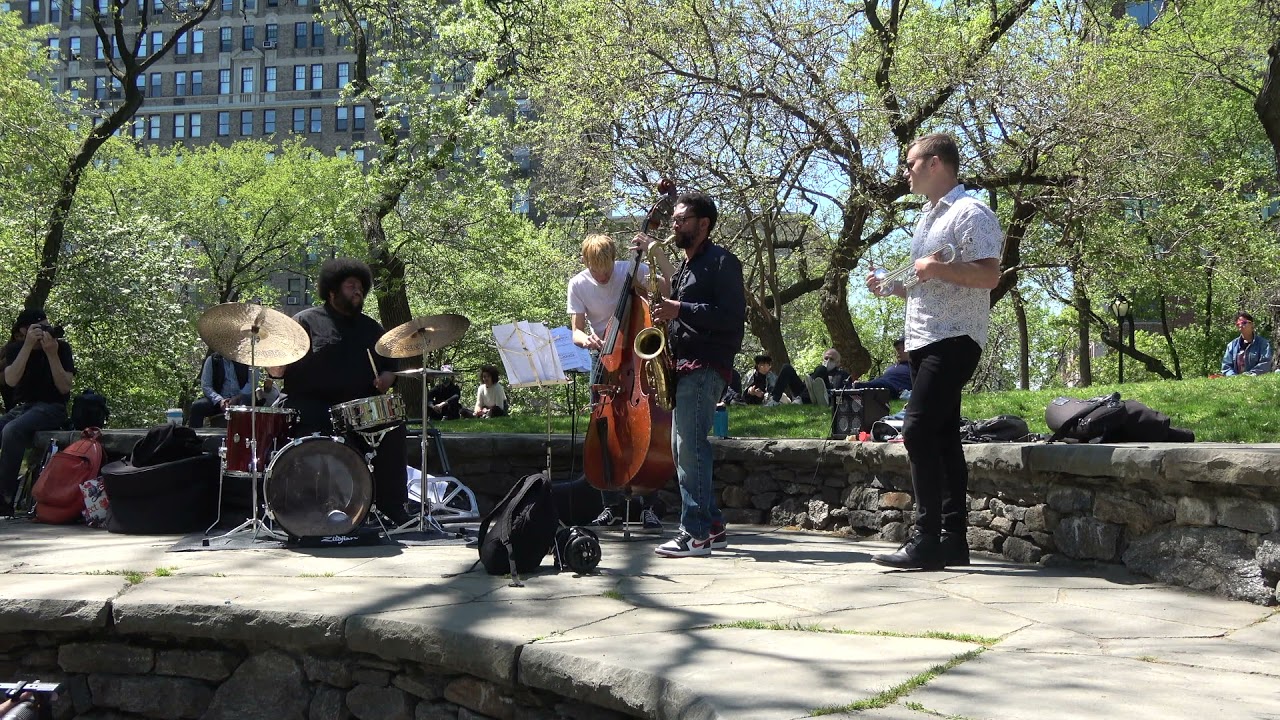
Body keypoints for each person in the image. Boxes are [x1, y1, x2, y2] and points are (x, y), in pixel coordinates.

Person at [865, 133, 1002, 570]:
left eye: (910, 164)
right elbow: (934, 283)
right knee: (943, 439)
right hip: (924, 338)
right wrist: (897, 287)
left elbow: (988, 276)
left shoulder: (971, 212)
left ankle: (926, 540)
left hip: (955, 337)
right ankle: (953, 542)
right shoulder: (927, 218)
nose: (905, 172)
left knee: (919, 430)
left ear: (935, 163)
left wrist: (938, 268)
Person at [639, 191, 746, 558]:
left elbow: (731, 318)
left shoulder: (722, 263)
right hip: (684, 364)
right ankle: (712, 526)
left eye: (681, 220)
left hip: (706, 364)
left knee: (689, 448)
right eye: (673, 220)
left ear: (704, 224)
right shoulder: (685, 267)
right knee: (681, 447)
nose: (674, 225)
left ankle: (694, 533)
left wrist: (678, 308)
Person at [267, 258, 411, 526]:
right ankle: (321, 507)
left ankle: (392, 506)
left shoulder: (371, 328)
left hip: (358, 407)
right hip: (311, 404)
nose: (358, 291)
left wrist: (387, 378)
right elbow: (278, 369)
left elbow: (391, 368)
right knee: (315, 423)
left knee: (394, 427)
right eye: (351, 286)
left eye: (361, 288)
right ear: (332, 290)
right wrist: (276, 366)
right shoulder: (305, 322)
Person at [566, 233, 664, 530]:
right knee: (604, 429)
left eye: (607, 267)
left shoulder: (630, 269)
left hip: (637, 355)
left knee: (645, 426)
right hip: (603, 357)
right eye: (597, 269)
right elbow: (576, 331)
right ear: (586, 263)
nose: (604, 274)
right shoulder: (578, 284)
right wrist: (587, 340)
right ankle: (609, 505)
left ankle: (649, 504)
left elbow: (664, 289)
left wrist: (649, 263)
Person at [0, 308, 75, 516]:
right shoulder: (16, 349)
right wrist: (27, 346)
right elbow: (11, 380)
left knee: (12, 431)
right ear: (24, 330)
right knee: (6, 425)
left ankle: (4, 499)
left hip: (52, 407)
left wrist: (52, 354)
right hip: (24, 407)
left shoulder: (61, 349)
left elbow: (64, 387)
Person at [188, 350, 254, 428]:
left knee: (246, 405)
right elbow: (206, 385)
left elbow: (252, 383)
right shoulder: (212, 360)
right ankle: (192, 438)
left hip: (241, 398)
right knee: (197, 406)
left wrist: (237, 397)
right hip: (218, 401)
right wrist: (219, 400)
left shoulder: (246, 360)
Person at [764, 349, 851, 406]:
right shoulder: (816, 371)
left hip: (825, 396)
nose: (828, 361)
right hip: (806, 393)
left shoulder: (843, 375)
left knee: (821, 369)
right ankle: (774, 400)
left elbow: (846, 393)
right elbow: (805, 385)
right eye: (826, 358)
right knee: (787, 368)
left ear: (838, 363)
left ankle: (802, 399)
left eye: (832, 359)